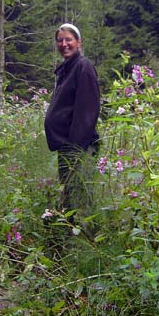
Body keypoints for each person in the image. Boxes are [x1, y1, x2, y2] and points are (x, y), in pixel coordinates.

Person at [44, 23, 100, 216]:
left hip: (77, 147)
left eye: (69, 39)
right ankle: (69, 232)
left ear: (79, 42)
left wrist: (76, 149)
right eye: (60, 40)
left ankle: (83, 235)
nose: (64, 44)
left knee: (79, 194)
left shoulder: (83, 66)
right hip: (67, 145)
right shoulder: (67, 69)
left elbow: (87, 111)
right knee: (69, 192)